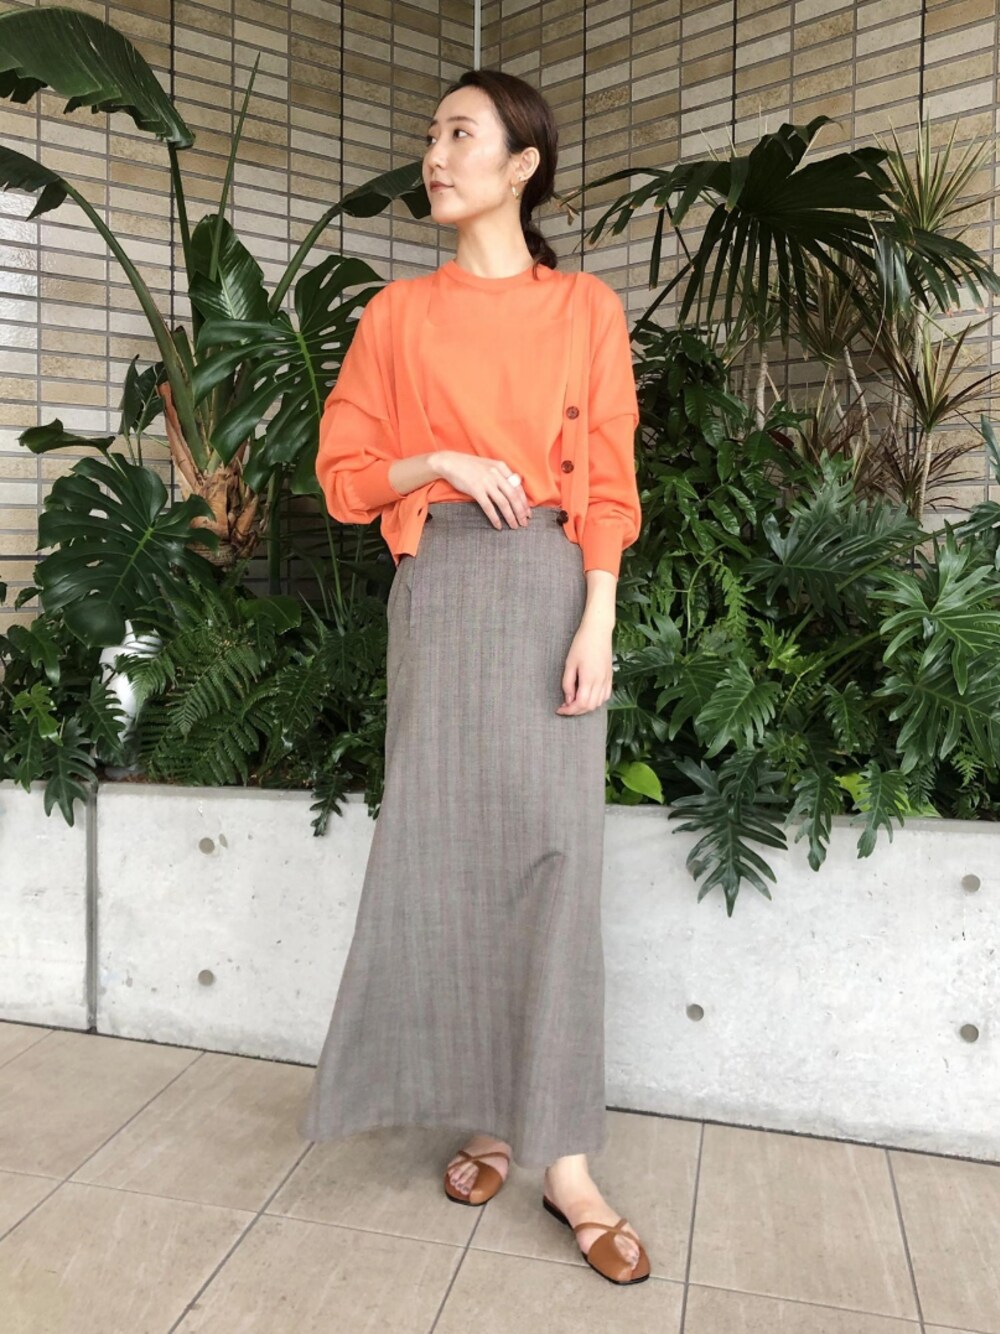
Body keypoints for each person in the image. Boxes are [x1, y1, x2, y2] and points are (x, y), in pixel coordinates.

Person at [298, 68, 650, 1286]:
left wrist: (598, 614)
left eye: (460, 133)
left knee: (556, 856)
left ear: (522, 164)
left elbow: (609, 479)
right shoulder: (398, 317)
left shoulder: (584, 308)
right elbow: (345, 473)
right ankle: (490, 1118)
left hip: (553, 588)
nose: (435, 155)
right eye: (432, 134)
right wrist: (437, 458)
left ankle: (565, 1159)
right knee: (447, 855)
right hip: (442, 589)